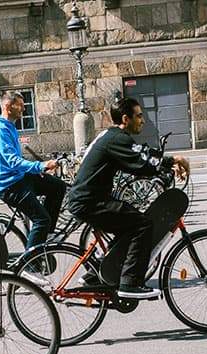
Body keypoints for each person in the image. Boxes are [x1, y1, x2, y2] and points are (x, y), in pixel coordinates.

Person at [67, 97, 190, 300]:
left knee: (127, 226)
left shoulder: (111, 135)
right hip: (89, 202)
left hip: (87, 199)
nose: (143, 120)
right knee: (142, 225)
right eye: (139, 116)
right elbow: (142, 161)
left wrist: (163, 167)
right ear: (126, 118)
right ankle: (130, 284)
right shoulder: (118, 139)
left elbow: (136, 160)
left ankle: (94, 274)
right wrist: (172, 161)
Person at [0, 91, 66, 263]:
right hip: (8, 184)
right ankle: (30, 266)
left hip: (19, 177)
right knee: (41, 219)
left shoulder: (9, 126)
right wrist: (40, 166)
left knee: (58, 186)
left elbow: (17, 160)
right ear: (7, 106)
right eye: (19, 105)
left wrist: (36, 170)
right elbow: (12, 161)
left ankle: (46, 236)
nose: (24, 108)